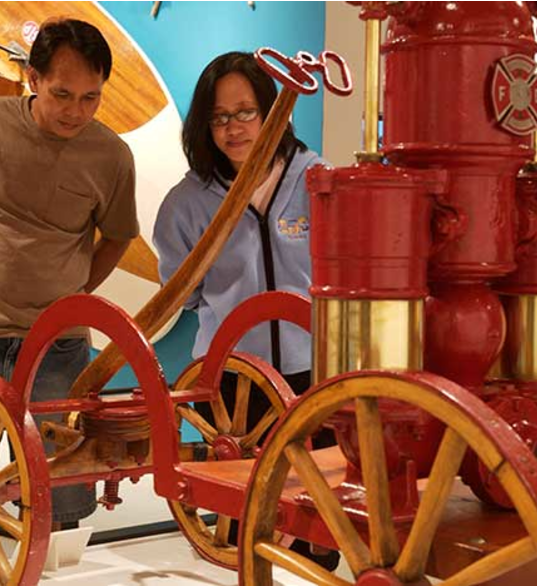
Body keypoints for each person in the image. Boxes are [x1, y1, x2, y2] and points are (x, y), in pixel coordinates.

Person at [0, 18, 139, 530]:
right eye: (63, 94)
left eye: (91, 98)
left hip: (58, 344)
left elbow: (116, 237)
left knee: (61, 493)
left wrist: (75, 292)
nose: (76, 111)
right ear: (33, 79)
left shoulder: (112, 155)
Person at [153, 51, 338, 570]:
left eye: (246, 112)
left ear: (272, 112)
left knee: (321, 514)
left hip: (313, 370)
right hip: (233, 381)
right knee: (250, 518)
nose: (233, 128)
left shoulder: (316, 179)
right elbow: (183, 293)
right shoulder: (185, 204)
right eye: (219, 117)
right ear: (203, 125)